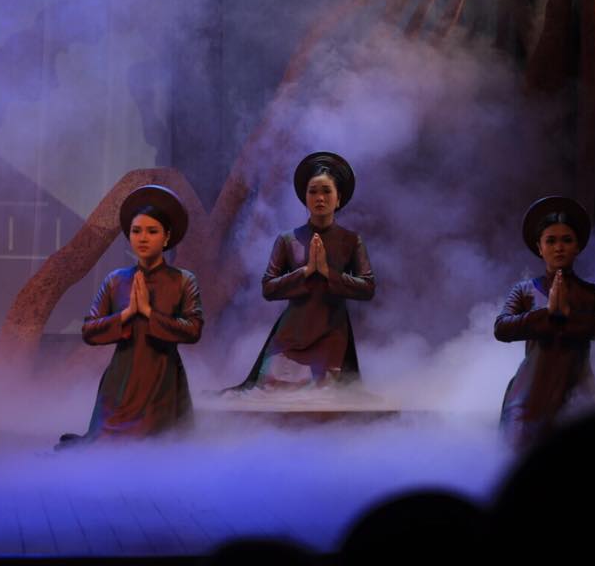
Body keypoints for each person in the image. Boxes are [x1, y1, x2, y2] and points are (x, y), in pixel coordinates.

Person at [58, 185, 203, 448]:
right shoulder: (116, 280)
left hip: (163, 380)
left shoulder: (183, 280)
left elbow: (193, 330)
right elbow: (89, 330)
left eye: (152, 231)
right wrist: (127, 314)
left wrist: (148, 312)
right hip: (121, 379)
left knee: (158, 449)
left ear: (167, 237)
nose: (143, 238)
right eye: (136, 231)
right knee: (107, 449)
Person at [229, 151, 375, 390]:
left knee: (319, 394)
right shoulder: (288, 240)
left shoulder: (351, 241)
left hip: (331, 331)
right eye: (313, 191)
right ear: (305, 198)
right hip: (292, 332)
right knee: (270, 390)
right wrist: (306, 271)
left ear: (338, 199)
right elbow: (268, 288)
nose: (320, 198)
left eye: (326, 191)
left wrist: (328, 273)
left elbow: (367, 287)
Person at [494, 196, 595, 448]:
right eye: (551, 241)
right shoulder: (524, 291)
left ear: (577, 246)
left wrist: (569, 316)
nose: (559, 247)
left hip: (578, 395)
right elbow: (502, 327)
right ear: (539, 247)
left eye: (567, 240)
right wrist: (547, 315)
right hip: (528, 397)